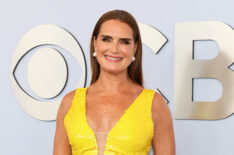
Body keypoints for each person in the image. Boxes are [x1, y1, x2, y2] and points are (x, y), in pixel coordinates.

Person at [53, 10, 175, 155]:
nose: (114, 49)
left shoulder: (155, 104)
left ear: (134, 48)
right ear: (95, 43)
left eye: (124, 42)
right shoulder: (69, 102)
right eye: (106, 39)